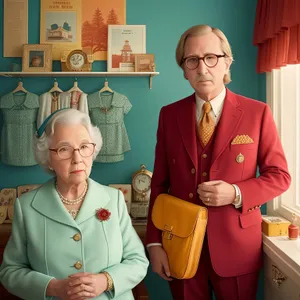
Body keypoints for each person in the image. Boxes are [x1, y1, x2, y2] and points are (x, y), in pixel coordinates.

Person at [146, 24, 291, 300]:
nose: (202, 68)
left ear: (227, 62)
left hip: (238, 251)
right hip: (180, 246)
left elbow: (280, 176)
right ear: (184, 69)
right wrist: (154, 243)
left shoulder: (257, 113)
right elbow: (159, 185)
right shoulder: (169, 115)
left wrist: (236, 193)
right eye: (192, 60)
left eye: (211, 57)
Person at [0, 108, 149, 300]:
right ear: (48, 158)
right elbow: (10, 271)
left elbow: (138, 261)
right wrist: (52, 288)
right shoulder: (26, 207)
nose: (77, 158)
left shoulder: (115, 199)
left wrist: (106, 280)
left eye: (84, 147)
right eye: (64, 149)